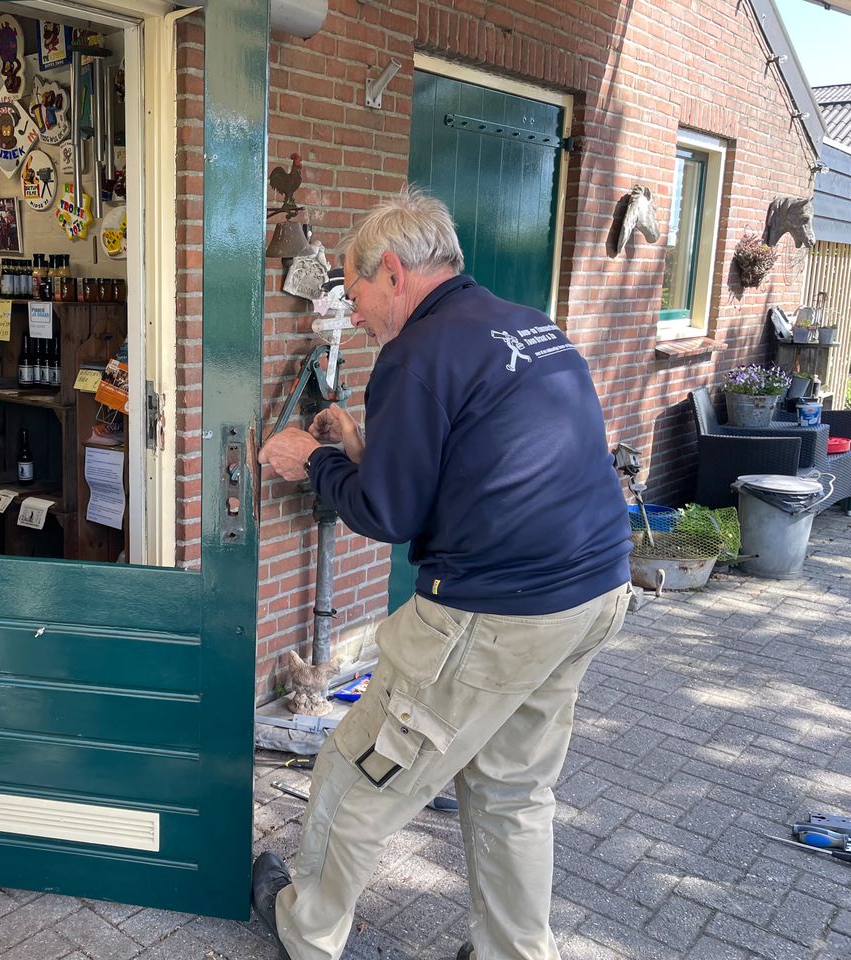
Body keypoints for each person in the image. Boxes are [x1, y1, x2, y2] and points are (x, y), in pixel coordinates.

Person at [254, 188, 632, 960]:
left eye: (353, 292)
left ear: (390, 272)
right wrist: (363, 448)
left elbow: (389, 516)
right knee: (513, 791)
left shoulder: (417, 354)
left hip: (494, 614)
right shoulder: (530, 328)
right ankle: (513, 952)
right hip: (592, 591)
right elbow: (467, 471)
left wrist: (314, 460)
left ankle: (306, 929)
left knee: (356, 775)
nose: (352, 313)